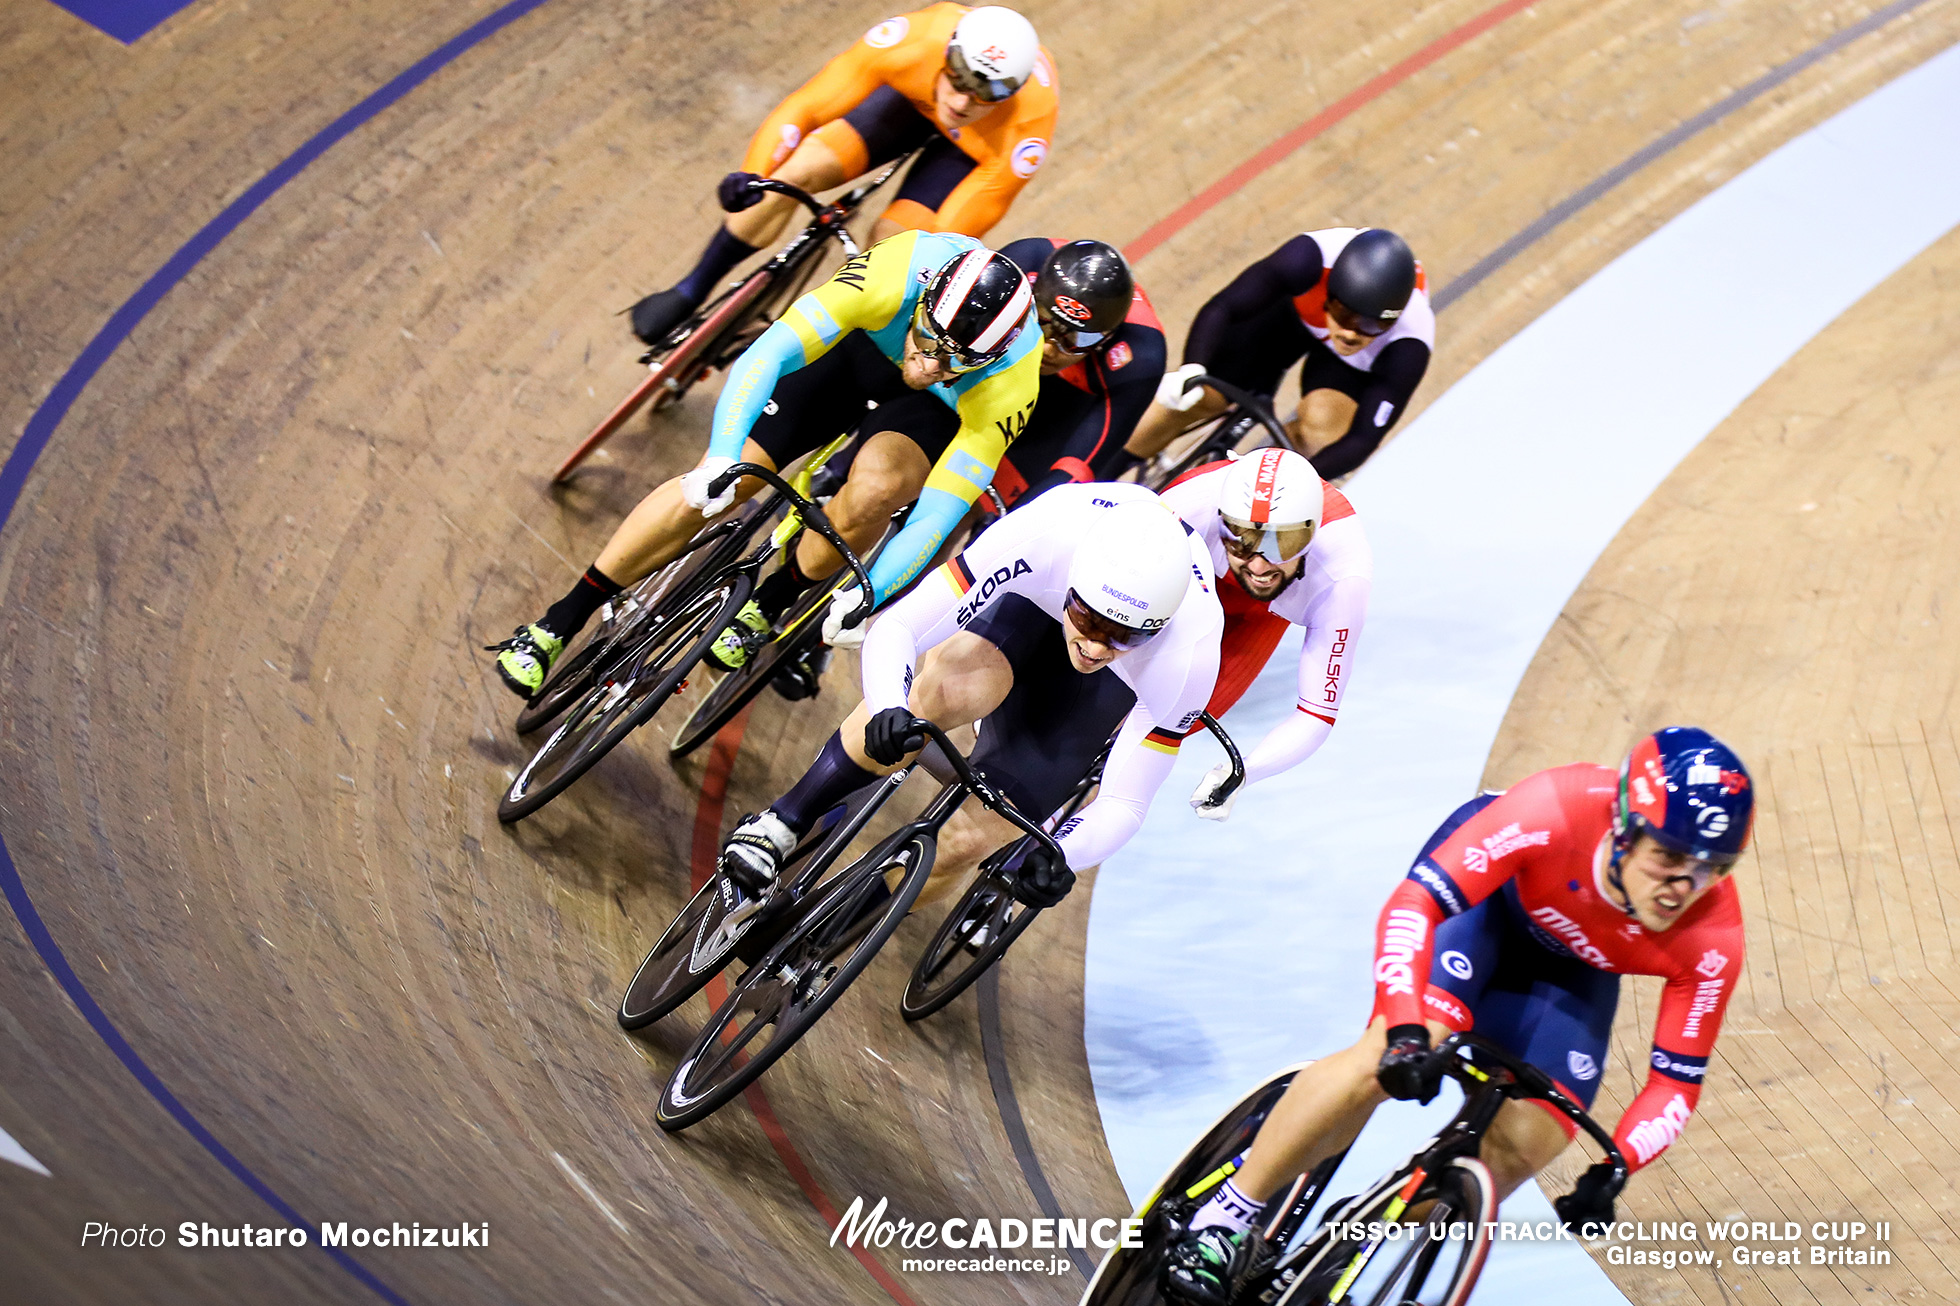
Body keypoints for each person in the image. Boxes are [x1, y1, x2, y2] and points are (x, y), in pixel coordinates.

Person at [1163, 727, 1754, 1305]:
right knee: (1386, 1059)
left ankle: (1356, 1234)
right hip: (1485, 908)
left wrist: (1617, 1166)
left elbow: (1676, 1083)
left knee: (1531, 1140)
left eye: (1711, 868)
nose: (1684, 885)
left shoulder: (1712, 936)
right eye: (1669, 857)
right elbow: (1413, 905)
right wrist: (1403, 1031)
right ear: (1624, 831)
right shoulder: (1554, 808)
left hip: (1571, 972)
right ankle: (1227, 1217)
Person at [488, 231, 1038, 696]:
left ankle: (771, 599)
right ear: (924, 298)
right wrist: (722, 459)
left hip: (930, 410)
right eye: (929, 339)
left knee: (875, 492)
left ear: (990, 359)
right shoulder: (896, 271)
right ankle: (560, 619)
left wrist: (870, 592)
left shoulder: (1010, 383)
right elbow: (767, 354)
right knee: (716, 485)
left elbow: (936, 517)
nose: (929, 361)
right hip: (859, 348)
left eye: (955, 360)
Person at [714, 484, 1221, 918]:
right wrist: (891, 704)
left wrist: (1062, 855)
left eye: (1124, 637)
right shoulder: (1047, 533)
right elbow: (902, 626)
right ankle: (782, 823)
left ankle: (833, 930)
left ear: (1160, 626)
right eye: (1088, 621)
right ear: (1074, 583)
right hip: (1029, 608)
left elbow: (1127, 800)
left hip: (1110, 686)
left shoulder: (1191, 651)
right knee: (939, 691)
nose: (1094, 647)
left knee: (976, 838)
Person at [630, 4, 1059, 345]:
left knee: (894, 248)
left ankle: (831, 328)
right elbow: (808, 108)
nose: (964, 102)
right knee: (795, 173)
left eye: (987, 92)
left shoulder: (1027, 128)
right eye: (960, 78)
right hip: (909, 103)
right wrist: (753, 174)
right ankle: (693, 288)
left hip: (973, 153)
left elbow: (949, 234)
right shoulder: (913, 41)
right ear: (946, 54)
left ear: (1013, 93)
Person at [1121, 228, 1432, 483]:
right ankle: (1100, 473)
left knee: (1322, 433)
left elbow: (1363, 438)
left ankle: (1269, 483)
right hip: (1289, 316)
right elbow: (1223, 307)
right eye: (1346, 316)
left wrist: (1303, 482)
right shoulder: (1306, 258)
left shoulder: (1410, 343)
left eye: (1373, 324)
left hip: (1348, 366)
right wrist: (1192, 369)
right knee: (1195, 396)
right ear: (1329, 292)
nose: (1352, 333)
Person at [1156, 448, 1369, 817]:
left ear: (1311, 535)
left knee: (1170, 723)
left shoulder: (1342, 574)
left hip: (1265, 614)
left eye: (1281, 545)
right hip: (1191, 579)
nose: (1258, 565)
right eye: (1241, 539)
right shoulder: (1190, 500)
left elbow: (1316, 715)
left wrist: (1242, 774)